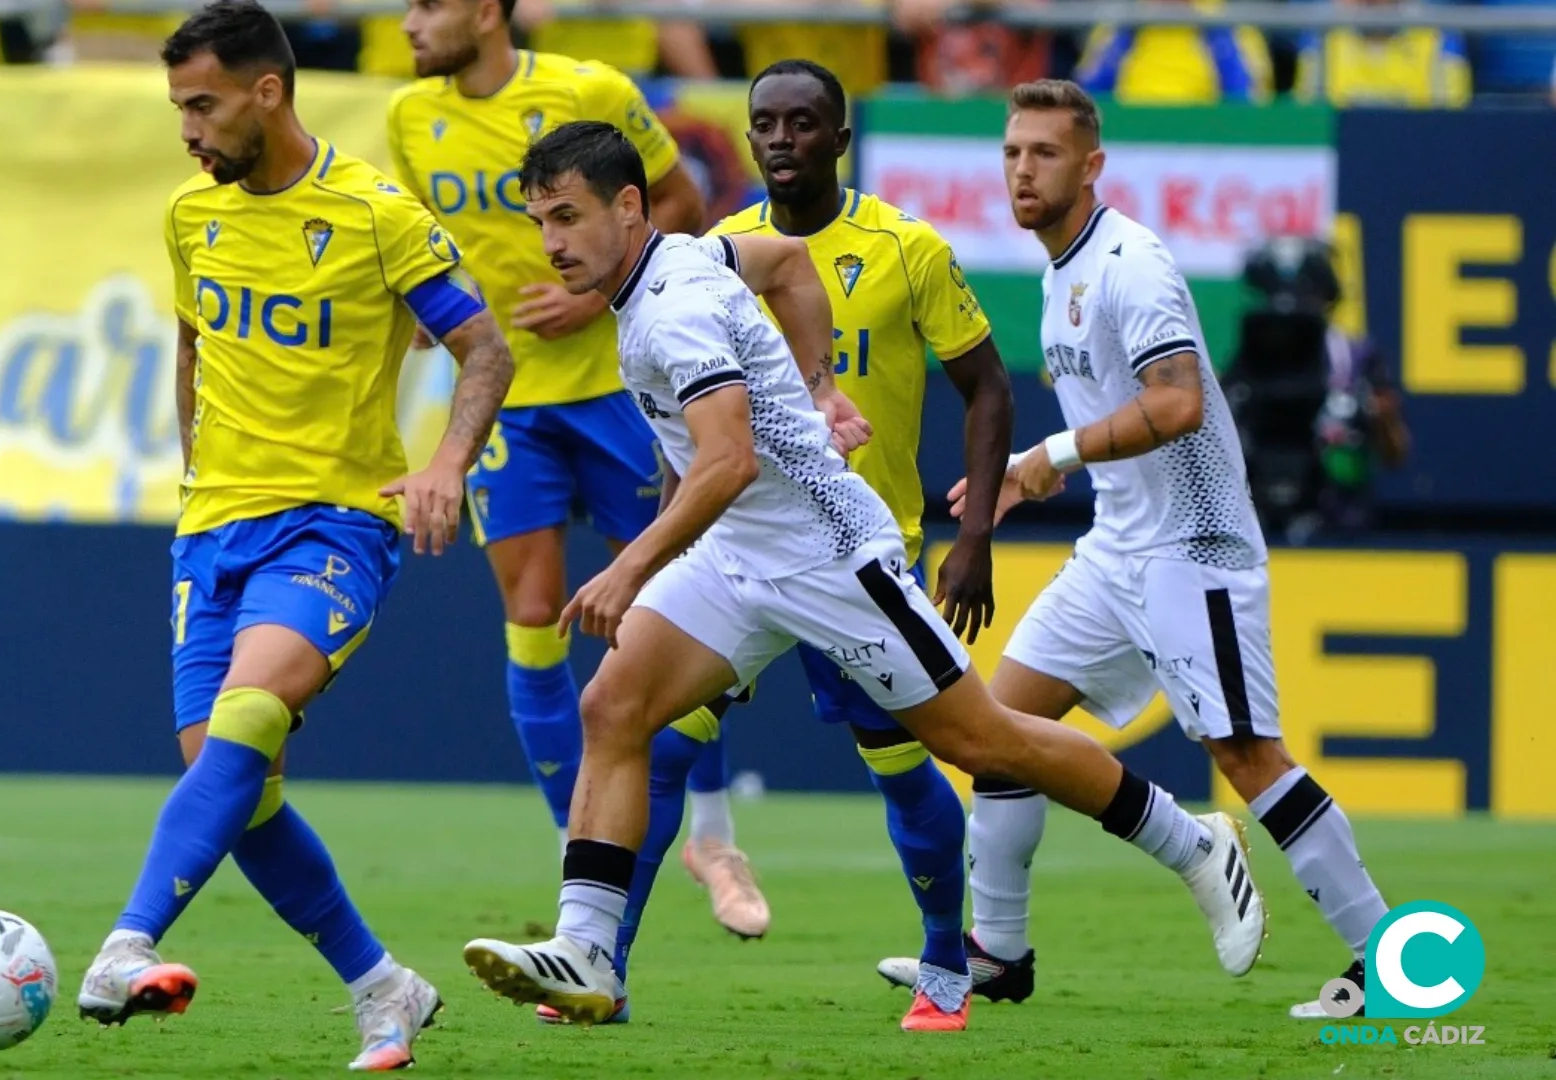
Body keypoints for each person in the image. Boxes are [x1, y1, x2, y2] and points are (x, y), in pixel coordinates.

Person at [461, 119, 1267, 1030]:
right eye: (540, 223)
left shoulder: (674, 308)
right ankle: (588, 952)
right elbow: (792, 268)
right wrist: (817, 381)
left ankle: (1194, 842)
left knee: (985, 743)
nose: (553, 243)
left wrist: (632, 567)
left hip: (830, 555)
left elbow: (725, 464)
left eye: (568, 216)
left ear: (631, 205)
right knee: (613, 708)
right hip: (739, 558)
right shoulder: (702, 254)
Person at [881, 79, 1391, 1020]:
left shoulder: (1131, 265)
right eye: (1011, 153)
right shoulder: (1056, 271)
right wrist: (1051, 471)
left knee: (1246, 753)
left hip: (1193, 545)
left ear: (1091, 165)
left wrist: (1051, 458)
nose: (1022, 170)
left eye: (1043, 153)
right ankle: (999, 952)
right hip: (1117, 547)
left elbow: (1178, 405)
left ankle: (1391, 964)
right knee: (998, 733)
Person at [74, 3, 515, 1070]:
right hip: (211, 533)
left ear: (268, 93)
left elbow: (485, 348)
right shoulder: (190, 215)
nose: (187, 128)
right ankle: (384, 988)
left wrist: (445, 464)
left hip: (331, 525)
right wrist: (195, 482)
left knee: (251, 714)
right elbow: (193, 346)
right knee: (237, 789)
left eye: (202, 104)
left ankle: (126, 944)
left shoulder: (373, 216)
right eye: (178, 105)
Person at [537, 58, 1014, 1033]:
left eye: (805, 122)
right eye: (766, 123)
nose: (783, 138)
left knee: (909, 763)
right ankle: (599, 968)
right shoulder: (717, 248)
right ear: (749, 139)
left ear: (840, 138)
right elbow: (698, 433)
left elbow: (987, 389)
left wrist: (975, 534)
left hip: (851, 553)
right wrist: (664, 557)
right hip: (740, 557)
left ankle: (945, 963)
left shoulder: (904, 246)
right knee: (650, 740)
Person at [386, 0, 772, 938]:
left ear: (484, 11)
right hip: (509, 404)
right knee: (532, 621)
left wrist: (594, 302)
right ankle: (582, 861)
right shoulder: (408, 120)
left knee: (665, 607)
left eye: (427, 4)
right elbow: (418, 269)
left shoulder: (586, 90)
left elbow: (678, 205)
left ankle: (714, 839)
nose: (406, 22)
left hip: (614, 389)